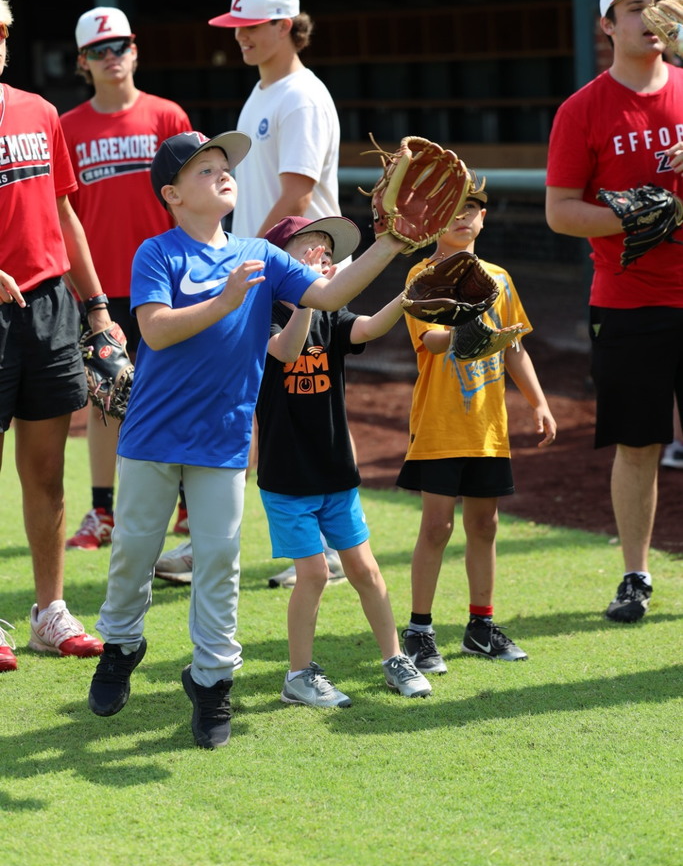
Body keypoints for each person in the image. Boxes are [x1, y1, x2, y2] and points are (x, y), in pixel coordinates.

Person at [87, 130, 407, 748]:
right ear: (172, 196)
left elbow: (332, 293)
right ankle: (122, 644)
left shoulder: (262, 252)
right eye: (205, 169)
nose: (222, 173)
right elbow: (154, 331)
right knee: (133, 555)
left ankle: (211, 687)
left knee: (218, 566)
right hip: (152, 437)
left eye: (224, 165)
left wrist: (393, 241)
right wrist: (227, 296)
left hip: (224, 442)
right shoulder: (157, 253)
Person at [545, 0, 683, 623]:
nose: (651, 15)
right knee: (638, 444)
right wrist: (633, 214)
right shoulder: (582, 110)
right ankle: (635, 573)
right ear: (607, 25)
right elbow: (560, 212)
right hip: (629, 300)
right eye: (635, 6)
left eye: (660, 4)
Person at [253, 215, 431, 705]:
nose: (322, 258)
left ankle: (395, 659)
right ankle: (298, 676)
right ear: (279, 262)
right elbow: (287, 352)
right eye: (309, 249)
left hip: (336, 473)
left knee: (367, 571)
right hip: (288, 478)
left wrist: (409, 295)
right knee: (312, 574)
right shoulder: (262, 312)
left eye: (326, 252)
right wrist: (309, 298)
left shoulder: (332, 314)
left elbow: (368, 327)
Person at [209, 0, 347, 585]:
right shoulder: (264, 92)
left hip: (299, 278)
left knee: (304, 411)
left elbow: (296, 193)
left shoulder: (301, 94)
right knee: (256, 408)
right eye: (234, 26)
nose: (240, 36)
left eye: (251, 26)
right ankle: (223, 541)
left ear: (285, 26)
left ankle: (327, 550)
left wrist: (243, 256)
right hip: (268, 272)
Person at [398, 192, 556, 674]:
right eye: (450, 211)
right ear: (431, 223)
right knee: (437, 526)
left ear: (483, 219)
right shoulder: (421, 277)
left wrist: (539, 402)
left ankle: (480, 627)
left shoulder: (500, 279)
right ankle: (419, 631)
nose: (462, 218)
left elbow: (515, 348)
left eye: (470, 210)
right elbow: (430, 340)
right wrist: (465, 328)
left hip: (489, 428)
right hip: (441, 425)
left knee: (484, 525)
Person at [0, 0, 109, 672]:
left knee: (47, 470)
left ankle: (49, 613)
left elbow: (66, 214)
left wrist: (96, 306)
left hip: (46, 308)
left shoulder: (40, 112)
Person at [60, 7, 192, 551]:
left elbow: (196, 201)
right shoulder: (66, 127)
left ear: (135, 51)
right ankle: (103, 511)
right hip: (101, 290)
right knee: (105, 399)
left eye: (120, 46)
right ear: (82, 63)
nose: (111, 57)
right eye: (99, 50)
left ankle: (188, 507)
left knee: (179, 392)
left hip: (165, 281)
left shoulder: (168, 117)